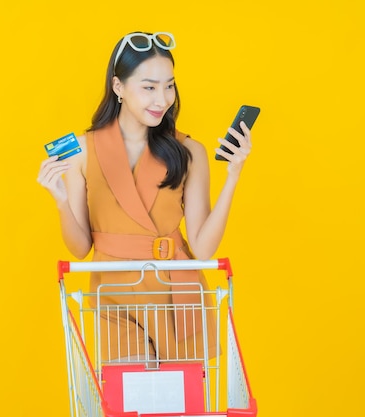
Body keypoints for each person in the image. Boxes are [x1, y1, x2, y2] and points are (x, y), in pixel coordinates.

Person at [37, 31, 252, 365]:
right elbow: (80, 248)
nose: (162, 99)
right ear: (118, 87)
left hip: (178, 294)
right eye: (149, 87)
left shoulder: (188, 151)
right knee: (134, 401)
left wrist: (233, 174)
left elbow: (205, 248)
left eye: (169, 85)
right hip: (114, 294)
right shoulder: (82, 150)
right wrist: (61, 201)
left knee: (184, 407)